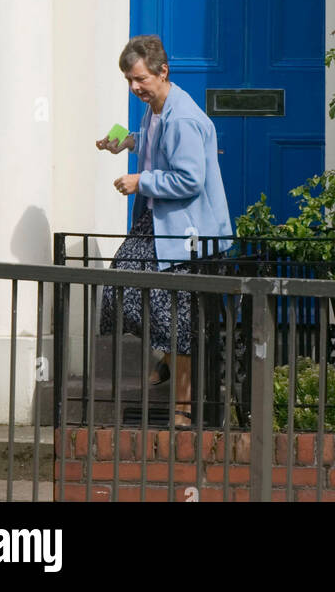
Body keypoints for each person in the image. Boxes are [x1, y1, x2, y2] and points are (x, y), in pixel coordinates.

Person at [98, 35, 233, 427]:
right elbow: (158, 145)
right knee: (118, 291)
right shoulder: (156, 109)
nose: (134, 87)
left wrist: (142, 182)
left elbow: (190, 179)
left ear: (163, 71)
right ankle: (169, 357)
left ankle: (183, 409)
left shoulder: (185, 117)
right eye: (128, 80)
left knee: (176, 319)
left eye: (139, 78)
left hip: (189, 234)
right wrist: (126, 142)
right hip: (159, 224)